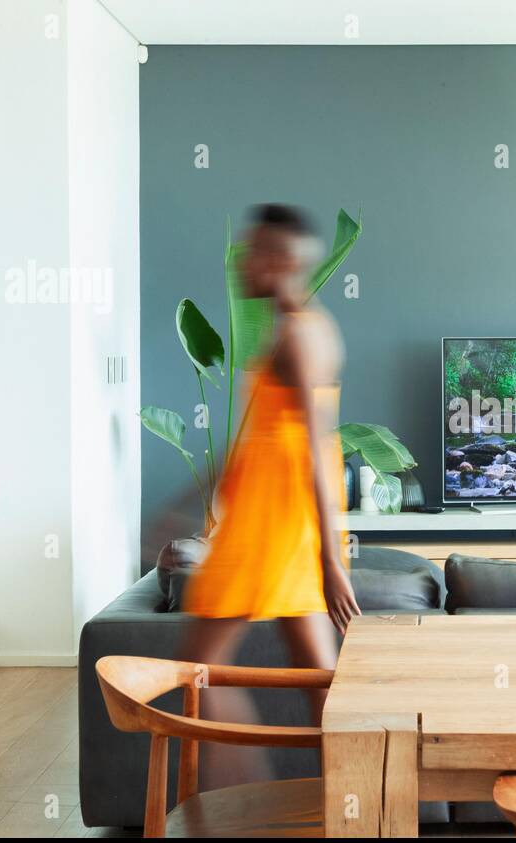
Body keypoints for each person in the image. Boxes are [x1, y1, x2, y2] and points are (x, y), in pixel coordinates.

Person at [180, 204, 360, 785]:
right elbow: (264, 435)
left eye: (253, 251)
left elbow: (311, 445)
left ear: (283, 261)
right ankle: (347, 805)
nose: (241, 261)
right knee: (318, 673)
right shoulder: (301, 325)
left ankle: (241, 812)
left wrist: (331, 562)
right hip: (280, 516)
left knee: (198, 668)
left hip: (275, 524)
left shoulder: (301, 336)